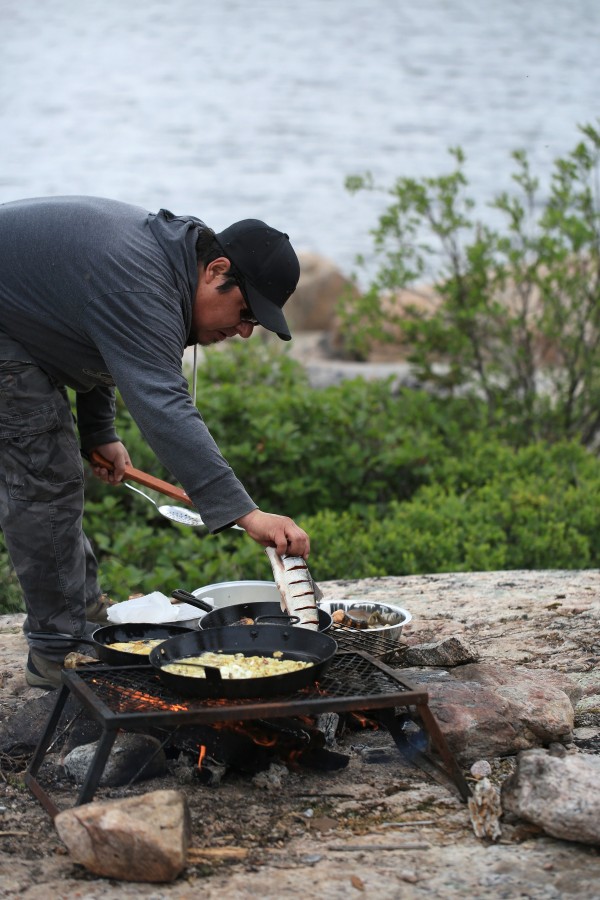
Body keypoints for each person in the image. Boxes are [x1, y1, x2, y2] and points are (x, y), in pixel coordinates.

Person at [0, 195, 310, 689]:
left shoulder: (172, 263)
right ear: (217, 270)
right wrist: (248, 514)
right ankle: (58, 653)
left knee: (53, 472)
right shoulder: (142, 280)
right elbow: (164, 403)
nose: (247, 331)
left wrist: (99, 431)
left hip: (20, 316)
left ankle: (77, 620)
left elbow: (95, 329)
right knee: (45, 477)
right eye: (247, 311)